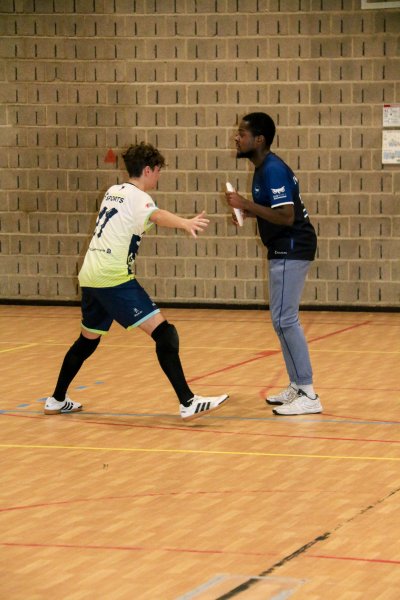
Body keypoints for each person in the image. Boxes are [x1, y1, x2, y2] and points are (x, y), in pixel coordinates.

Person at [44, 142, 229, 420]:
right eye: (158, 171)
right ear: (147, 169)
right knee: (165, 333)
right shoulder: (138, 197)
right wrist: (184, 222)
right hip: (113, 279)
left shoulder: (113, 191)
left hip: (91, 275)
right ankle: (188, 402)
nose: (159, 176)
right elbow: (155, 215)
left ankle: (56, 399)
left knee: (87, 341)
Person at [225, 112, 322, 415]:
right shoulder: (262, 169)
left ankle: (308, 392)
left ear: (259, 140)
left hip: (291, 246)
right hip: (285, 246)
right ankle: (297, 385)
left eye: (242, 133)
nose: (236, 137)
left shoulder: (273, 170)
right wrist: (249, 213)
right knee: (281, 320)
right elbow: (274, 210)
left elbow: (287, 217)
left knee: (285, 319)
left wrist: (246, 205)